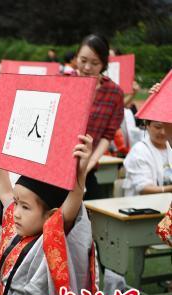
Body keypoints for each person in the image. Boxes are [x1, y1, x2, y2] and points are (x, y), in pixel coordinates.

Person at [0, 134, 97, 295]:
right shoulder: (17, 227)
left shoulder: (49, 239)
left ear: (51, 216)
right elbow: (4, 191)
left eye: (25, 207)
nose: (16, 212)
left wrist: (79, 175)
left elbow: (68, 212)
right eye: (17, 203)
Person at [74, 34, 124, 199]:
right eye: (83, 60)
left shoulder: (114, 93)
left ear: (103, 64)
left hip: (86, 169)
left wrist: (87, 165)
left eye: (95, 63)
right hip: (55, 167)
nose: (87, 67)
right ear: (76, 58)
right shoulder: (64, 82)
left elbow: (107, 136)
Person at [123, 120, 172, 196]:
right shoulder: (139, 151)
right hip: (143, 204)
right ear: (147, 126)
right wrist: (168, 189)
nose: (163, 132)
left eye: (167, 127)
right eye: (158, 127)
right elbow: (143, 188)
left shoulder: (170, 148)